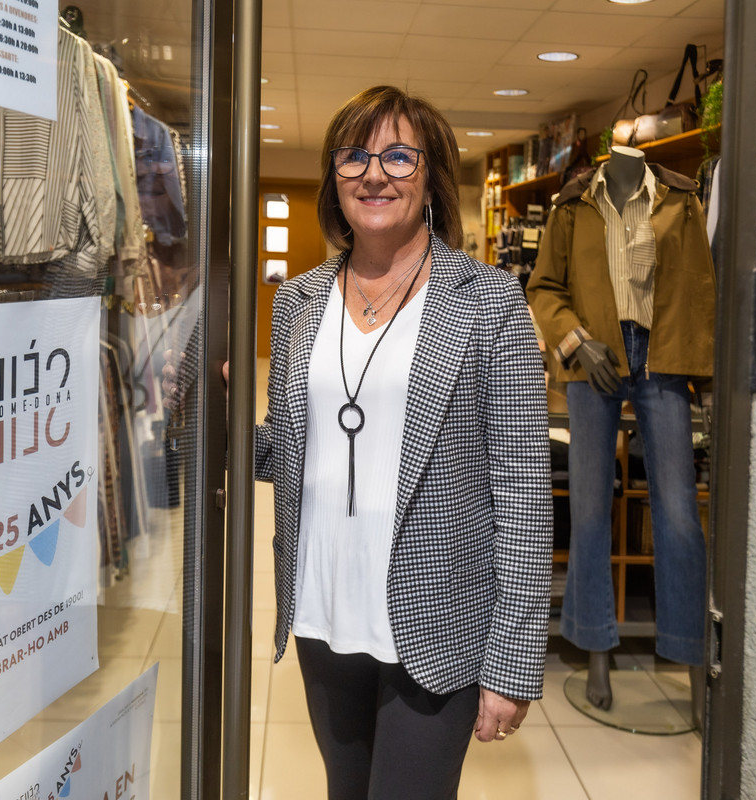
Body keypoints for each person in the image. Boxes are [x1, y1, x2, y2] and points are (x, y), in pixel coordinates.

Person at [253, 86, 552, 799]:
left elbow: (521, 490)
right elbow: (294, 456)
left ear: (431, 176)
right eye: (354, 155)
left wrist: (511, 662)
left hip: (435, 621)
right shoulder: (296, 303)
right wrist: (218, 423)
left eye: (397, 154)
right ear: (334, 176)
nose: (373, 173)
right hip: (323, 610)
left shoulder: (488, 301)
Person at [528, 146, 714, 711]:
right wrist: (577, 343)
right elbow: (544, 287)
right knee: (589, 510)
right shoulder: (572, 206)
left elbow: (702, 290)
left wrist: (705, 381)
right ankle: (595, 648)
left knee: (679, 510)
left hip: (664, 356)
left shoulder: (681, 200)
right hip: (596, 359)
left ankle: (691, 653)